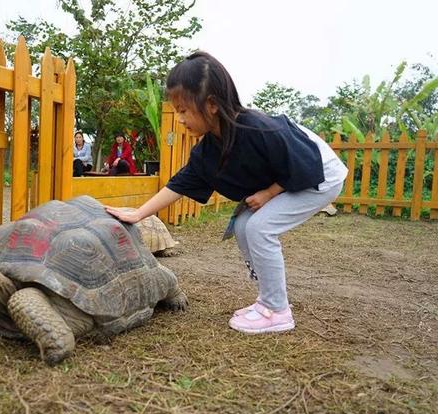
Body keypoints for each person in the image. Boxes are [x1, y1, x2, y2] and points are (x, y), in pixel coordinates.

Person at [106, 51, 348, 335]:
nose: (180, 119)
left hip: (320, 175)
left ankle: (278, 311)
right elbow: (180, 183)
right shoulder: (210, 148)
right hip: (297, 174)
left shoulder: (260, 129)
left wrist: (269, 193)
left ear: (210, 104)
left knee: (259, 227)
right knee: (245, 226)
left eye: (183, 110)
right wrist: (138, 213)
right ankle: (266, 302)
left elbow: (303, 162)